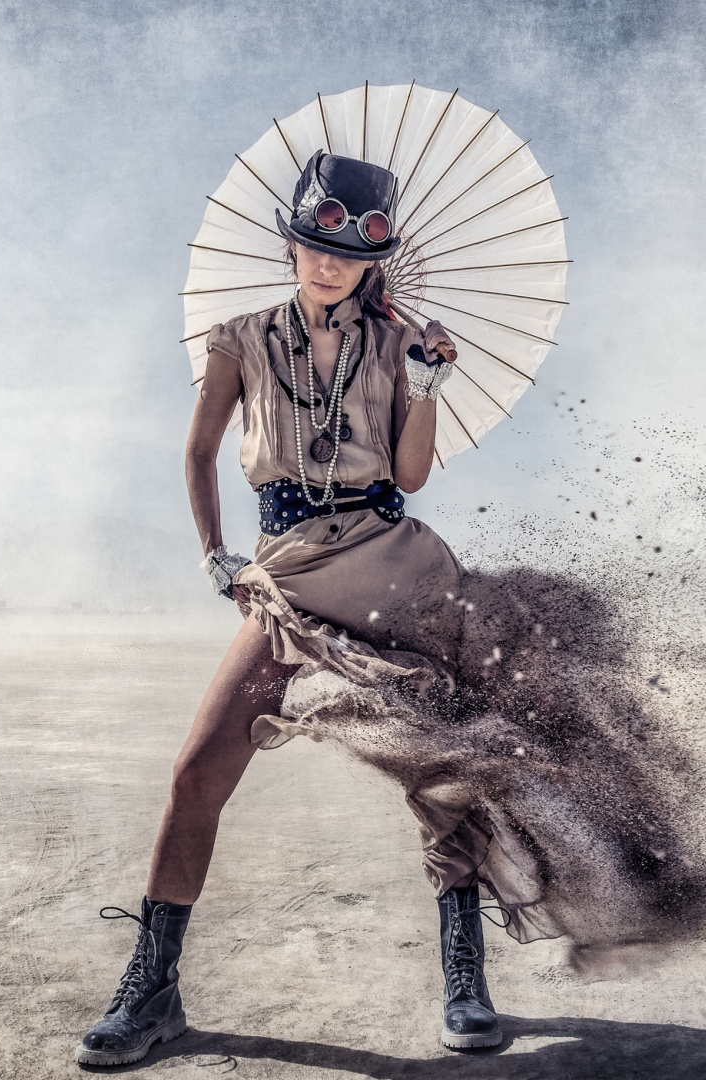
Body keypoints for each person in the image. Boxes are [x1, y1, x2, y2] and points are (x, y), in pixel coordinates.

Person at [75, 151, 495, 1067]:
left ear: (374, 260)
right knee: (198, 771)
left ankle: (465, 977)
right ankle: (153, 990)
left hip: (392, 565)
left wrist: (425, 383)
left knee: (441, 770)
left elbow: (412, 474)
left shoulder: (399, 346)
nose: (328, 263)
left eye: (345, 252)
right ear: (291, 245)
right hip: (287, 575)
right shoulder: (239, 338)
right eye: (312, 244)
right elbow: (198, 452)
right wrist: (216, 557)